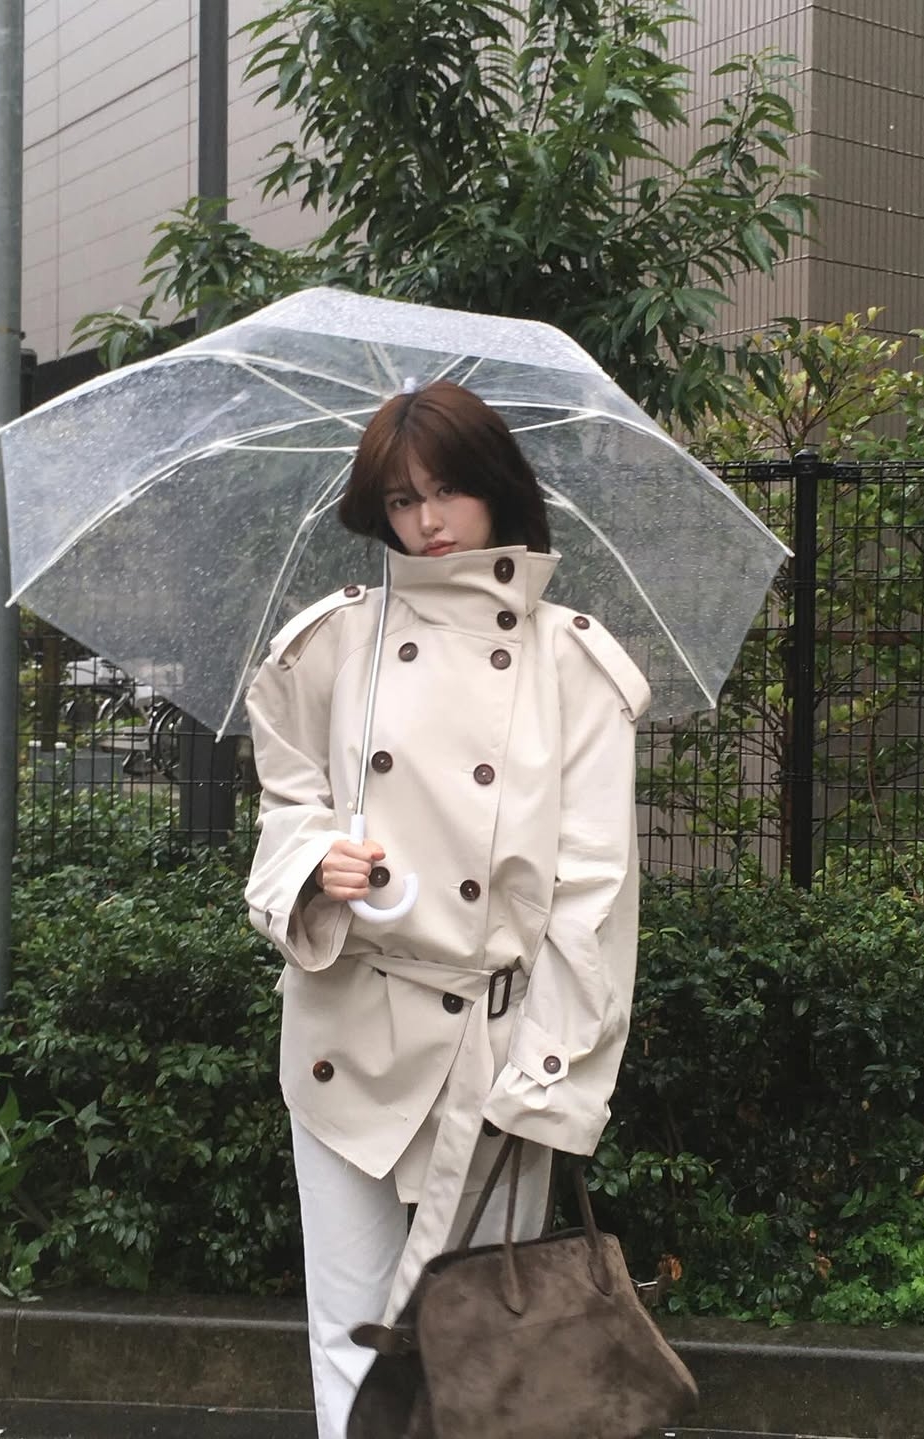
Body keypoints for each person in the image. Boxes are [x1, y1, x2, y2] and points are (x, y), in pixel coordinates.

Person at [244, 379, 651, 1439]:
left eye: (448, 491)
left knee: (480, 1354)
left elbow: (593, 892)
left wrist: (550, 1073)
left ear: (497, 488)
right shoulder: (326, 645)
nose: (427, 521)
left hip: (493, 1050)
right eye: (400, 499)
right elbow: (286, 804)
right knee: (347, 1332)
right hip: (346, 1031)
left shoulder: (572, 662)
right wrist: (313, 862)